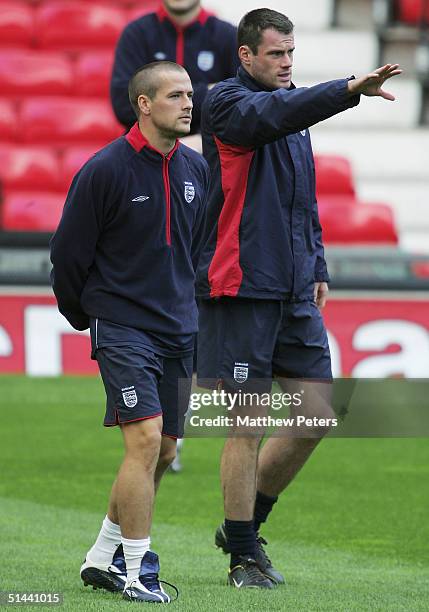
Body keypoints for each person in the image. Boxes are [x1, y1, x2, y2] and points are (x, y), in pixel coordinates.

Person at [196, 8, 402, 589]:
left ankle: (244, 522)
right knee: (247, 421)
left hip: (291, 287)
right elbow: (278, 113)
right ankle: (242, 556)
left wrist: (316, 263)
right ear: (245, 55)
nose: (287, 65)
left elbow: (300, 199)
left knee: (318, 414)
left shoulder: (287, 109)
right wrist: (348, 89)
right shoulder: (227, 105)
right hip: (241, 285)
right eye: (276, 55)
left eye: (292, 55)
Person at [50, 61, 209, 603]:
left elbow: (200, 250)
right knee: (142, 440)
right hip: (122, 325)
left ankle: (102, 558)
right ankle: (139, 569)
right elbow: (67, 257)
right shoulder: (104, 170)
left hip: (179, 328)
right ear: (144, 104)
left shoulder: (196, 170)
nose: (188, 104)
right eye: (174, 96)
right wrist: (89, 316)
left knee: (164, 449)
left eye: (190, 95)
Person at [110, 0, 240, 136]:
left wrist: (203, 141)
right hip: (147, 151)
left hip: (207, 149)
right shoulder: (136, 34)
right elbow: (124, 106)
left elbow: (239, 105)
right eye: (174, 96)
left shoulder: (228, 36)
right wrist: (210, 94)